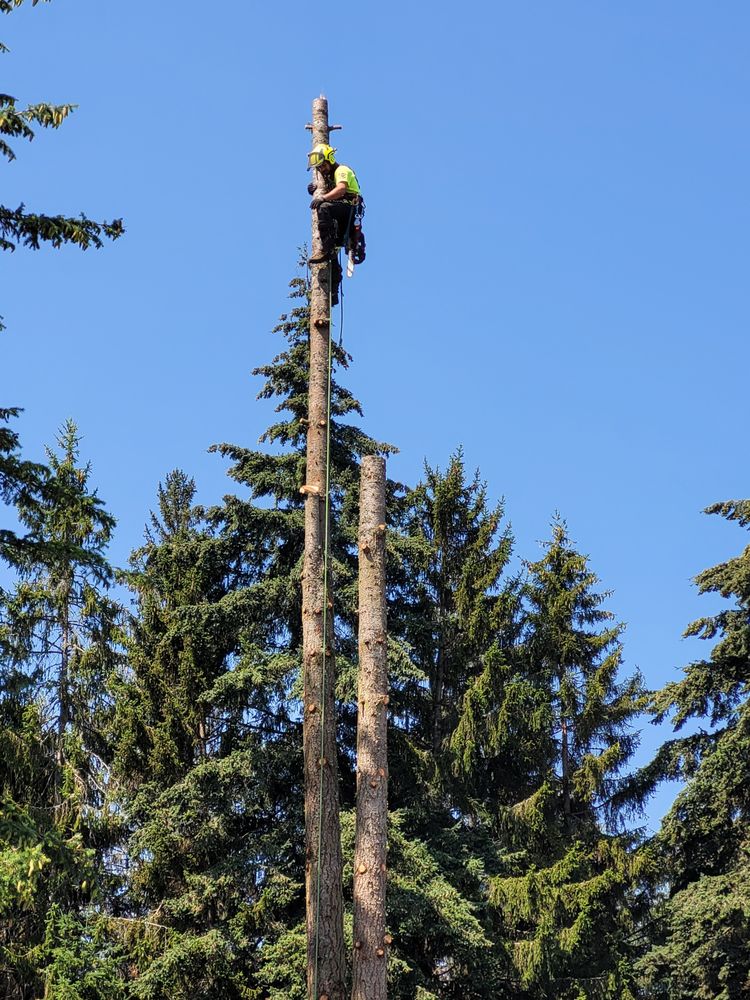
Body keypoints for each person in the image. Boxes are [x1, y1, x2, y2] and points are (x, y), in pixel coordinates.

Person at [307, 143, 361, 264]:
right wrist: (314, 190)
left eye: (323, 165)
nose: (322, 169)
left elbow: (341, 189)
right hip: (342, 209)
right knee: (335, 240)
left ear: (330, 160)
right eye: (319, 168)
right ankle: (334, 271)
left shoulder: (341, 170)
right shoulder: (330, 178)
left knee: (323, 208)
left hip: (349, 207)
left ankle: (326, 250)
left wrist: (322, 198)